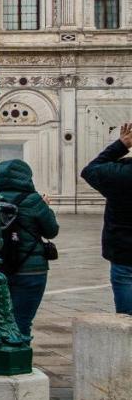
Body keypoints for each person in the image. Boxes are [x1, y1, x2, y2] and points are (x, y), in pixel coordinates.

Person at [0, 158, 59, 337]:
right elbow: (51, 231)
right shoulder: (34, 200)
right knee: (22, 321)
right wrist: (46, 207)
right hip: (31, 269)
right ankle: (19, 359)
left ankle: (2, 358)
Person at [79, 122, 132, 315]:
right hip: (122, 252)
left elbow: (90, 170)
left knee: (126, 317)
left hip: (123, 252)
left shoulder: (121, 174)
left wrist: (120, 145)